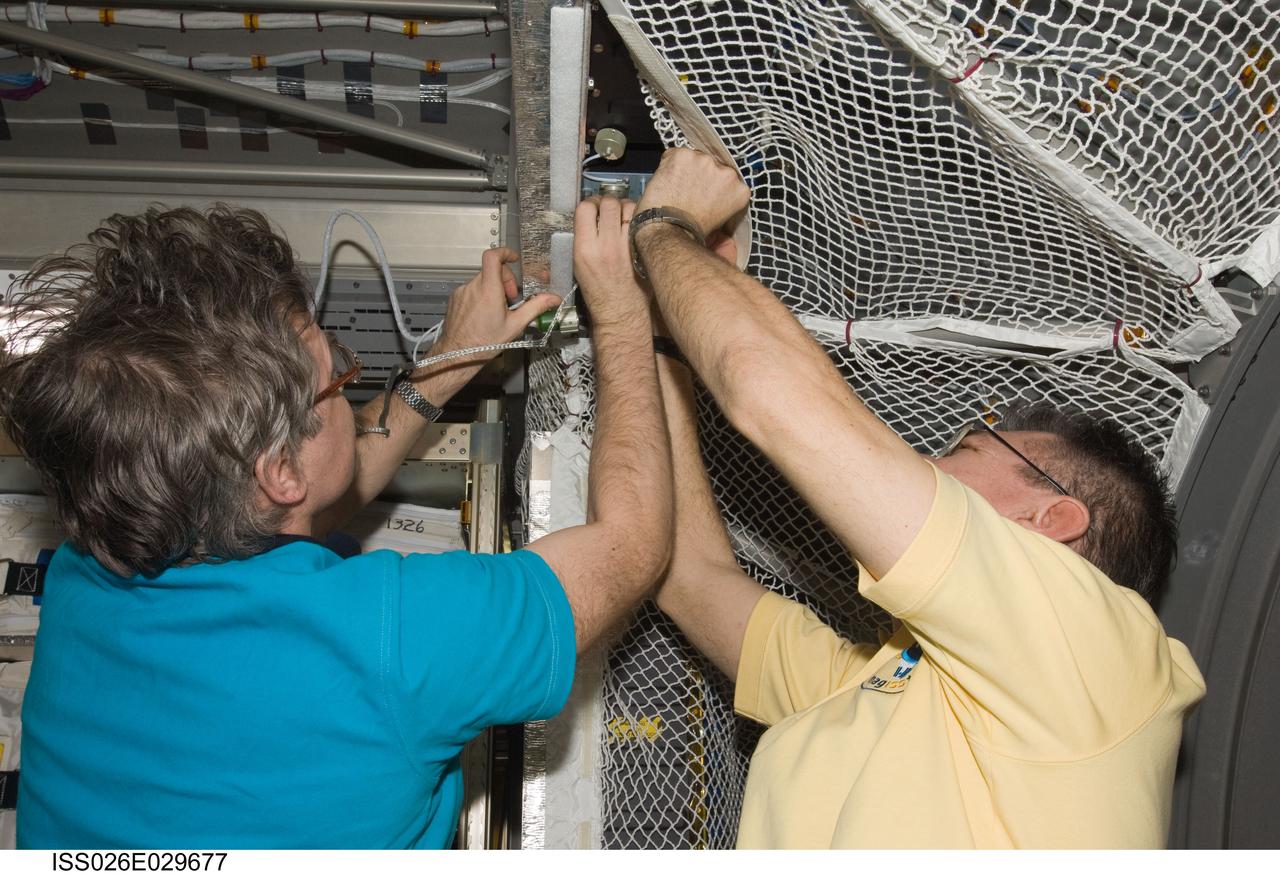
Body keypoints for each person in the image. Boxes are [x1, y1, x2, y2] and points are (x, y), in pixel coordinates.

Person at [0, 199, 670, 848]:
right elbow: (634, 544)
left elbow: (304, 498)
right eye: (336, 374)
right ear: (278, 471)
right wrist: (621, 312)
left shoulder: (90, 568)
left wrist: (450, 363)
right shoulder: (389, 640)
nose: (350, 387)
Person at [623, 147, 1205, 848]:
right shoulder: (894, 681)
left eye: (965, 451)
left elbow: (769, 394)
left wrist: (665, 227)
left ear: (1050, 518)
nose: (925, 464)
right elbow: (690, 577)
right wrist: (657, 335)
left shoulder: (1099, 654)